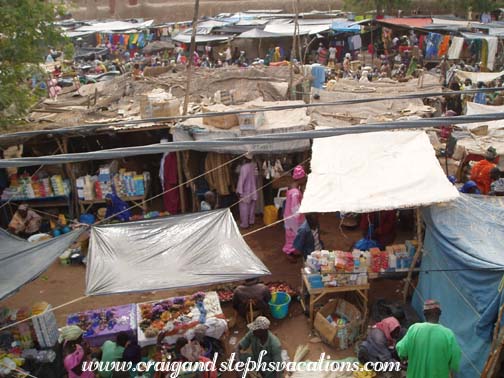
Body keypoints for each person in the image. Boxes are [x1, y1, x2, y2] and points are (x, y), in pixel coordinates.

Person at [396, 300, 461, 378]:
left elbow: (401, 350)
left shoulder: (414, 329)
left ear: (424, 313)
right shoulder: (448, 334)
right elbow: (455, 361)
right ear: (440, 313)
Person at [282, 165, 306, 257]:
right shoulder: (295, 192)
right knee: (294, 236)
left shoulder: (291, 187)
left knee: (290, 235)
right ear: (301, 178)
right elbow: (295, 208)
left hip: (288, 216)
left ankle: (292, 251)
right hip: (294, 218)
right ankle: (290, 252)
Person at [236, 154, 257, 228]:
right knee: (252, 207)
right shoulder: (253, 166)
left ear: (244, 158)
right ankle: (251, 221)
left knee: (244, 208)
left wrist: (239, 191)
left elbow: (241, 180)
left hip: (245, 191)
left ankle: (244, 224)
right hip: (253, 190)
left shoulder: (244, 168)